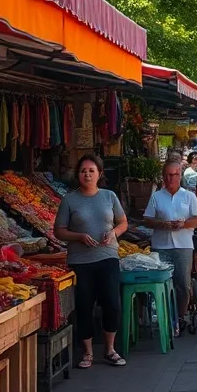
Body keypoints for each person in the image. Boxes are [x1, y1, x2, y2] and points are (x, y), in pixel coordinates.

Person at [53, 154, 129, 368]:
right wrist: (78, 236)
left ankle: (110, 349)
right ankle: (87, 353)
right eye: (83, 170)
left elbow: (123, 222)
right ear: (78, 174)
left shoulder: (109, 196)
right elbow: (58, 231)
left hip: (108, 257)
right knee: (84, 305)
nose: (87, 174)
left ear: (99, 174)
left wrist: (113, 232)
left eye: (91, 171)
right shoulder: (70, 200)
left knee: (112, 303)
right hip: (80, 260)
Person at [143, 160, 197, 334]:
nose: (172, 178)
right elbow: (147, 219)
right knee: (162, 284)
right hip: (161, 246)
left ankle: (179, 318)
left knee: (183, 284)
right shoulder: (157, 196)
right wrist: (162, 224)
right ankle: (163, 318)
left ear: (180, 175)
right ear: (164, 176)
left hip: (184, 246)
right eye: (169, 175)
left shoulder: (188, 196)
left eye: (175, 175)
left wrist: (184, 224)